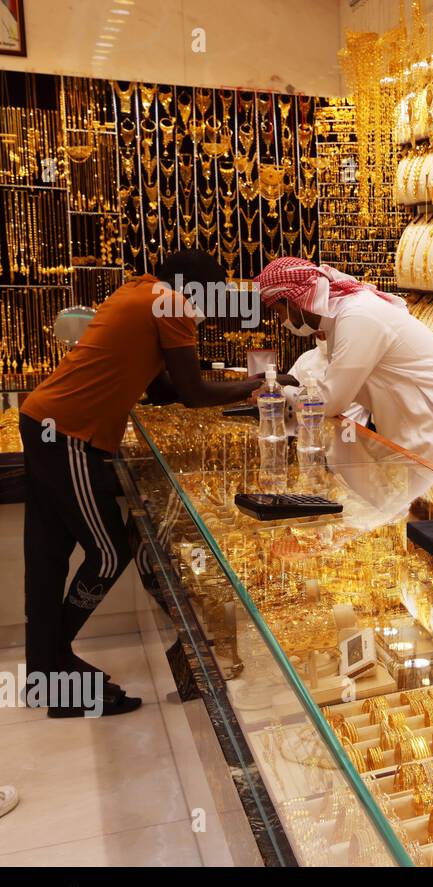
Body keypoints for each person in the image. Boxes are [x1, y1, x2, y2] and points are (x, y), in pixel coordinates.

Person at [21, 250, 264, 716]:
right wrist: (255, 385)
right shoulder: (169, 303)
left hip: (45, 422)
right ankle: (54, 665)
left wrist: (228, 382)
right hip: (70, 435)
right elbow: (192, 394)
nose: (206, 308)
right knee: (109, 553)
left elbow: (164, 389)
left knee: (48, 558)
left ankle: (43, 675)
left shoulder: (137, 292)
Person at [254, 258, 433, 487]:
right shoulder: (344, 316)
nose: (283, 320)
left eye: (279, 312)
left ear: (293, 302)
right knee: (420, 508)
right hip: (420, 414)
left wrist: (278, 394)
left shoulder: (357, 315)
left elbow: (331, 401)